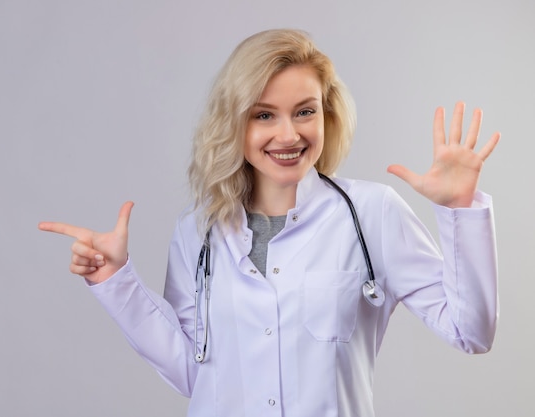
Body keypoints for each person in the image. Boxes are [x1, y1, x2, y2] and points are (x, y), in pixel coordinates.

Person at [39, 29, 500, 416]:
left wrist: (459, 209)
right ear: (234, 123)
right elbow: (193, 373)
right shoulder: (198, 229)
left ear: (327, 115)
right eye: (264, 115)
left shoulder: (371, 213)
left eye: (305, 111)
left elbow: (471, 332)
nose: (289, 134)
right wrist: (115, 280)